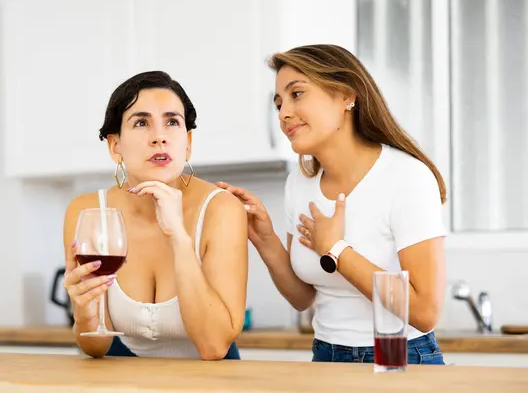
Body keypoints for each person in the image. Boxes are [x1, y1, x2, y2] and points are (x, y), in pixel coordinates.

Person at [218, 44, 447, 364]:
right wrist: (265, 238)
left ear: (346, 95)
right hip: (326, 353)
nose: (284, 113)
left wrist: (336, 250)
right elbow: (303, 298)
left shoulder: (406, 177)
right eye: (279, 102)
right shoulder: (299, 184)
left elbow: (424, 311)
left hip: (397, 354)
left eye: (297, 94)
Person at [62, 71, 248, 360]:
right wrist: (84, 310)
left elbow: (214, 347)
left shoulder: (222, 209)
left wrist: (179, 238)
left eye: (172, 122)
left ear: (187, 143)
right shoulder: (88, 213)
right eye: (141, 122)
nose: (159, 137)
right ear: (115, 146)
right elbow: (95, 346)